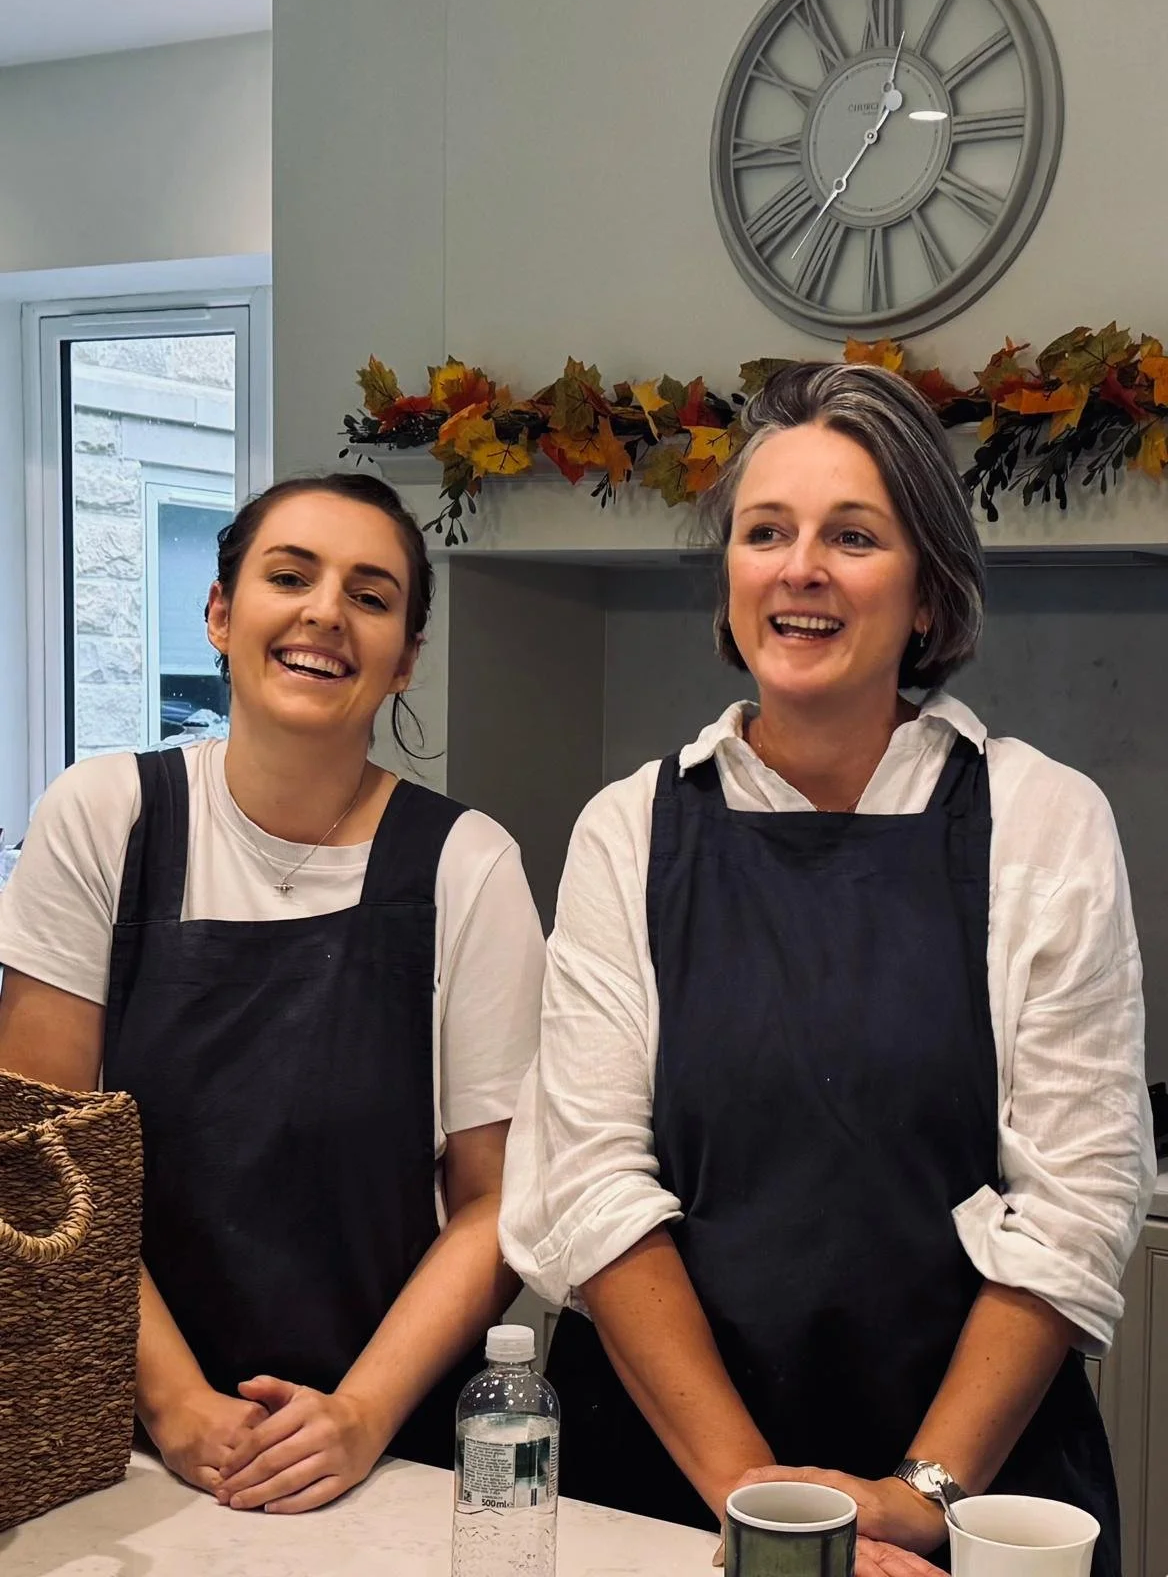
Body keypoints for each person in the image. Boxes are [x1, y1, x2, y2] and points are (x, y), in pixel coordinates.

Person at [500, 364, 1156, 1577]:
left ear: (926, 595)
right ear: (732, 580)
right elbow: (590, 1185)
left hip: (964, 1489)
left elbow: (1079, 1199)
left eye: (852, 536)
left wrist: (912, 1496)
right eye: (766, 533)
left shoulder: (1039, 818)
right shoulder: (626, 829)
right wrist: (765, 1503)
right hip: (667, 1480)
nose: (799, 567)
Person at [0, 472, 545, 1514]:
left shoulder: (464, 865)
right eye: (289, 576)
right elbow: (35, 1155)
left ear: (405, 660)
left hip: (384, 1455)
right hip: (113, 1444)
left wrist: (360, 1413)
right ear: (219, 613)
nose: (324, 612)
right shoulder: (106, 817)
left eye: (371, 595)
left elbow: (497, 1199)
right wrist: (176, 1402)